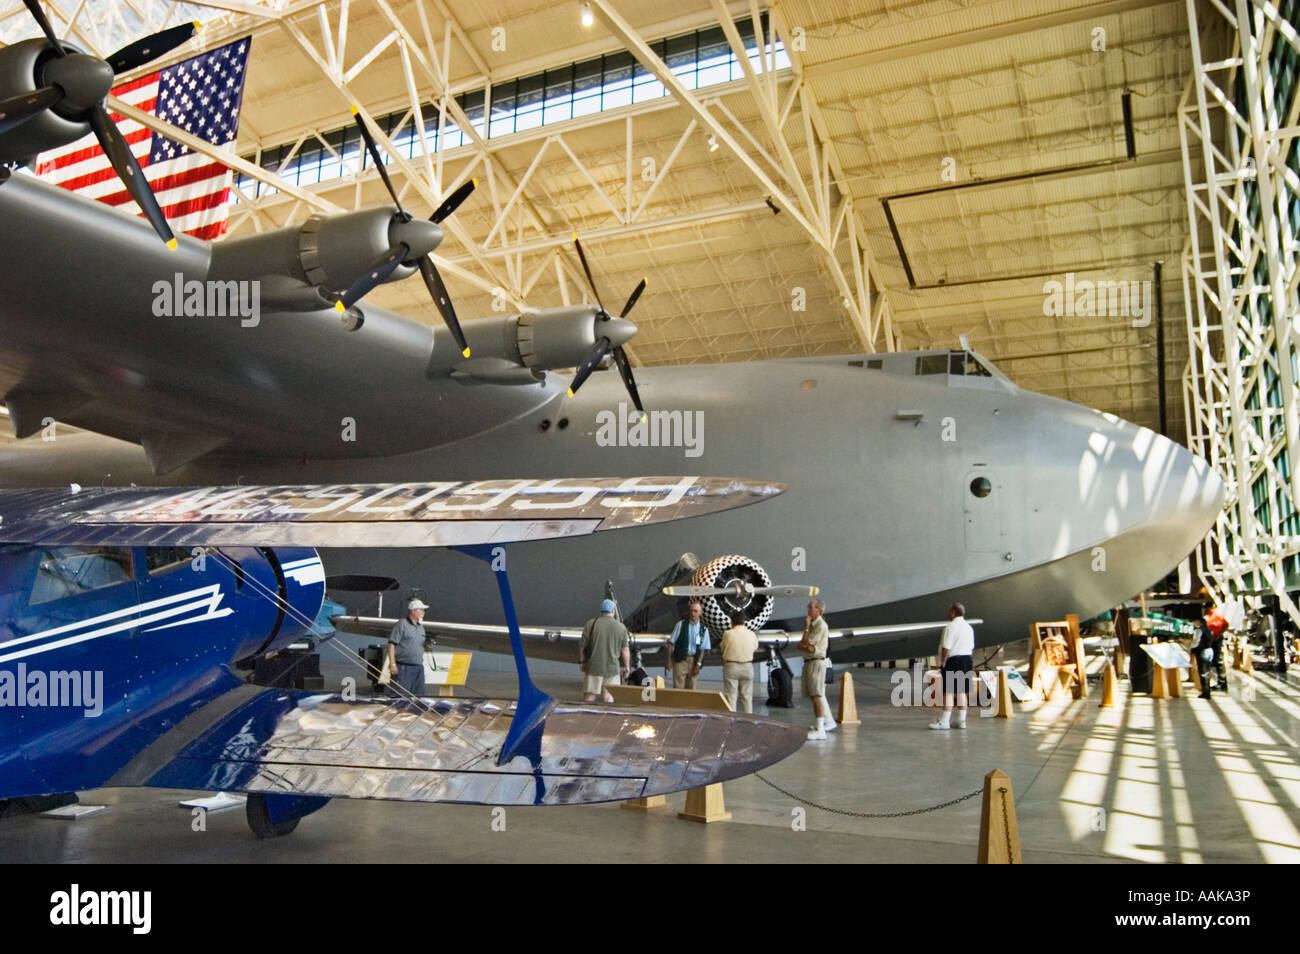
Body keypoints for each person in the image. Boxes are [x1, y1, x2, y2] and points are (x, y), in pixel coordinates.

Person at [929, 602, 974, 730]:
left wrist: (942, 663)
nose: (948, 613)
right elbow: (971, 647)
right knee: (961, 691)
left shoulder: (950, 627)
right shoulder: (969, 627)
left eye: (949, 611)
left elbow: (946, 648)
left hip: (953, 661)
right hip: (967, 660)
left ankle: (944, 721)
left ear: (953, 612)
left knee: (948, 692)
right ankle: (961, 720)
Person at [800, 598, 837, 740]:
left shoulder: (821, 626)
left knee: (817, 695)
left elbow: (809, 645)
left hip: (817, 663)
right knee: (816, 695)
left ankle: (821, 729)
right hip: (810, 662)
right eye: (808, 607)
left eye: (810, 607)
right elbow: (802, 645)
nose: (808, 610)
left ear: (818, 610)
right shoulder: (813, 626)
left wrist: (806, 630)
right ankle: (825, 723)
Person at [580, 598, 630, 702]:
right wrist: (627, 666)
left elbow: (582, 646)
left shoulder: (590, 624)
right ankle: (607, 715)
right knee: (609, 696)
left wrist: (582, 662)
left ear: (602, 611)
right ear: (613, 611)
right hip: (612, 668)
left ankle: (585, 716)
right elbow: (625, 650)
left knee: (590, 696)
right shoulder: (621, 627)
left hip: (594, 666)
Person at [388, 598, 429, 698]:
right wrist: (393, 663)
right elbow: (391, 644)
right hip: (403, 667)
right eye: (421, 609)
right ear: (414, 611)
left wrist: (428, 645)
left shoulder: (421, 627)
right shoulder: (402, 624)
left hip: (418, 667)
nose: (423, 612)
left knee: (419, 696)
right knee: (400, 696)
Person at [665, 601, 711, 689]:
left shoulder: (704, 630)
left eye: (696, 611)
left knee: (691, 687)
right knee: (678, 687)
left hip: (694, 660)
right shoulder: (680, 625)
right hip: (680, 660)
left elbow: (703, 649)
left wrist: (698, 664)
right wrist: (669, 660)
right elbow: (671, 643)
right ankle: (678, 703)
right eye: (691, 611)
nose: (693, 613)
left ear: (700, 613)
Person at [720, 611, 757, 713]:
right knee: (747, 697)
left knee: (731, 696)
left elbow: (722, 647)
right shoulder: (751, 634)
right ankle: (748, 720)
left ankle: (732, 721)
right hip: (747, 667)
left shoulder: (727, 634)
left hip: (731, 667)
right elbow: (755, 647)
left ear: (732, 621)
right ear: (744, 621)